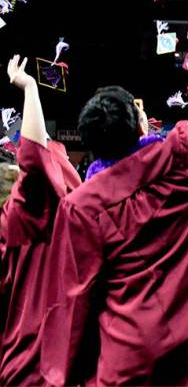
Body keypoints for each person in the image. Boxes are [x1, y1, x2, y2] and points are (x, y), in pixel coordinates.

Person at [39, 8, 188, 386]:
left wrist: (66, 374)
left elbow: (74, 300)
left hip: (132, 357)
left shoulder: (83, 208)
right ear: (140, 125)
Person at [0, 56, 83, 384]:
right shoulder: (68, 212)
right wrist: (30, 88)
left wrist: (32, 90)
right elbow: (37, 158)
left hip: (21, 364)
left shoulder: (18, 219)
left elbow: (35, 161)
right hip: (55, 361)